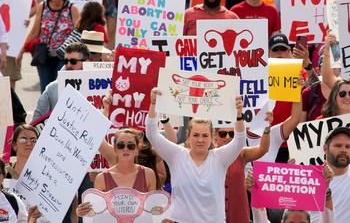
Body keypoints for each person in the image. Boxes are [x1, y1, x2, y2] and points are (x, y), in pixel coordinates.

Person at [146, 90, 245, 222]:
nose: (200, 140)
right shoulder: (176, 155)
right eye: (196, 135)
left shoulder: (220, 158)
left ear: (212, 137)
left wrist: (238, 115)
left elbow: (239, 141)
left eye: (205, 135)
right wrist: (153, 104)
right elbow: (152, 134)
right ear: (188, 136)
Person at [76, 128, 157, 217]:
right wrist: (81, 212)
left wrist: (162, 216)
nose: (125, 149)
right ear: (115, 149)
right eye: (121, 145)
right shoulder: (102, 178)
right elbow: (98, 211)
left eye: (130, 146)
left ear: (137, 150)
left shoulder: (148, 174)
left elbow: (151, 209)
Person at [19, 0, 79, 92]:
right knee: (45, 90)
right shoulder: (42, 6)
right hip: (44, 56)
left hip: (64, 56)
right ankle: (47, 111)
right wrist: (22, 51)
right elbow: (35, 31)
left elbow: (78, 32)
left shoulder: (72, 8)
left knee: (60, 89)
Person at [32, 42, 90, 120]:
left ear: (86, 62)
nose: (68, 65)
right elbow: (36, 120)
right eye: (66, 61)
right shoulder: (52, 88)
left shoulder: (97, 88)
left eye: (73, 61)